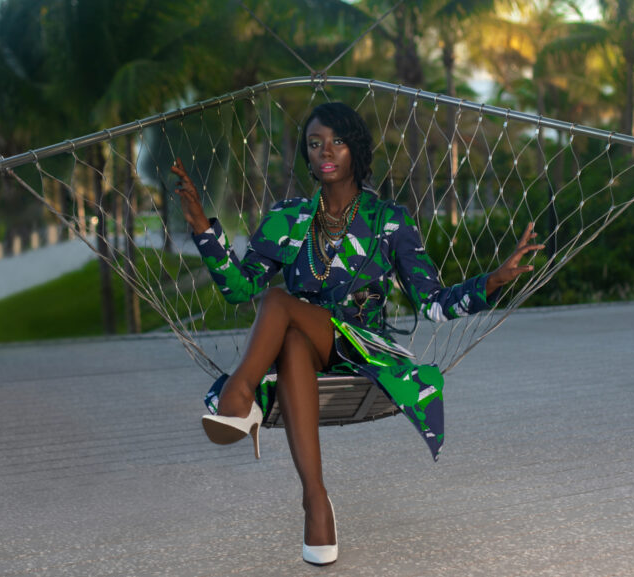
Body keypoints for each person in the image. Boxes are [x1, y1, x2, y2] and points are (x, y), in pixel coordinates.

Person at [170, 102, 543, 566]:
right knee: (287, 335)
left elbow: (431, 303)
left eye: (337, 142)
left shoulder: (389, 220)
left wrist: (491, 282)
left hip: (364, 352)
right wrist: (203, 226)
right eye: (314, 143)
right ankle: (316, 502)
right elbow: (238, 287)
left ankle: (238, 394)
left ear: (355, 150)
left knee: (276, 302)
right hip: (304, 351)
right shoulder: (287, 219)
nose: (325, 151)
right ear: (306, 156)